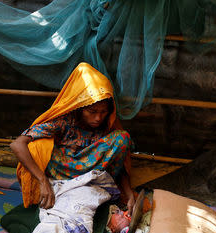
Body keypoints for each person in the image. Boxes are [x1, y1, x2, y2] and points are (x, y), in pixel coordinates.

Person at [10, 62, 135, 215]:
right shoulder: (63, 120)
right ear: (80, 106)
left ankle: (93, 190)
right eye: (92, 111)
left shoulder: (106, 122)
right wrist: (42, 180)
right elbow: (17, 144)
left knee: (122, 138)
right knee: (36, 147)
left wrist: (128, 194)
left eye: (103, 112)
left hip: (93, 175)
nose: (98, 118)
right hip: (62, 170)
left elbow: (117, 160)